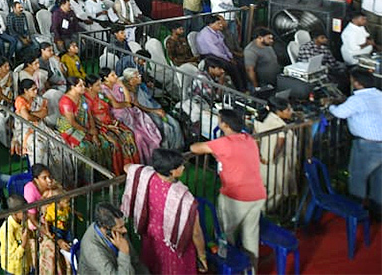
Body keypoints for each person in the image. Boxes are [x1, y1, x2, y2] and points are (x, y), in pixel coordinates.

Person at [190, 109, 267, 266]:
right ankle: (251, 270)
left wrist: (213, 146)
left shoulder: (224, 143)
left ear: (224, 124)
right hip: (257, 194)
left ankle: (229, 266)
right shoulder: (248, 139)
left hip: (236, 198)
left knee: (226, 235)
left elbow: (195, 148)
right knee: (250, 236)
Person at [121, 149, 205, 274]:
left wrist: (147, 169)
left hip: (151, 233)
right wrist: (202, 256)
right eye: (180, 166)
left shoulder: (146, 176)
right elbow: (196, 233)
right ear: (172, 172)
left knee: (153, 266)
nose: (183, 167)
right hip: (172, 239)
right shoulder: (184, 198)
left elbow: (127, 167)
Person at [328, 69, 382, 214]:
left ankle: (356, 211)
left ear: (357, 83)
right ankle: (377, 211)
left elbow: (339, 113)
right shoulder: (379, 95)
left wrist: (330, 105)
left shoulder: (357, 99)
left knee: (358, 177)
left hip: (366, 146)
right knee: (378, 179)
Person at [255, 97, 298, 211]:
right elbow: (279, 145)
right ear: (278, 111)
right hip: (277, 162)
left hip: (263, 159)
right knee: (279, 191)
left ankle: (258, 207)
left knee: (265, 186)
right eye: (288, 110)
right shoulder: (279, 125)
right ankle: (264, 210)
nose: (291, 111)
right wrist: (273, 158)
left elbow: (256, 139)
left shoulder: (261, 118)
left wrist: (259, 155)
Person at [76, 202, 139, 275]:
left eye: (123, 225)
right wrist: (124, 253)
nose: (125, 230)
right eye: (120, 227)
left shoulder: (117, 232)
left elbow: (136, 262)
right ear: (107, 229)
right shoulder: (93, 249)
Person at [0, 195, 33, 275]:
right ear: (15, 213)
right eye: (24, 212)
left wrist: (31, 234)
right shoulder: (6, 230)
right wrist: (23, 244)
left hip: (25, 266)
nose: (27, 214)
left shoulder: (23, 221)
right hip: (13, 270)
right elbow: (12, 256)